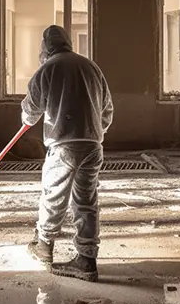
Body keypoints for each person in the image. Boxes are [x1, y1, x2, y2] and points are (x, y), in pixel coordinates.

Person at [21, 25, 113, 282]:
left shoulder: (48, 69)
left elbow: (31, 109)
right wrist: (94, 131)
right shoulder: (91, 67)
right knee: (86, 201)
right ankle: (86, 259)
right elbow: (107, 110)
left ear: (46, 46)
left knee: (53, 196)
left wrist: (27, 119)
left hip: (64, 146)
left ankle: (44, 247)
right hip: (93, 145)